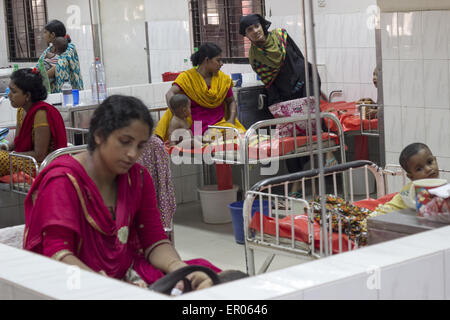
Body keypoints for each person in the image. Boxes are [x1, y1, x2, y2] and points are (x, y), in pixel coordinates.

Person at [23, 95, 220, 290]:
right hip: (77, 281)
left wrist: (180, 270)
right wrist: (111, 290)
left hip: (126, 272)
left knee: (208, 276)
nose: (133, 154)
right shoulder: (63, 181)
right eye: (125, 141)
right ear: (99, 135)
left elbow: (154, 240)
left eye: (140, 146)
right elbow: (58, 254)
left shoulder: (138, 178)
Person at [239, 14, 331, 193]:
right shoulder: (255, 57)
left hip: (305, 82)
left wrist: (310, 88)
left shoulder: (281, 35)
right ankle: (296, 184)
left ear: (262, 25)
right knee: (290, 140)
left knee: (315, 121)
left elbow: (300, 58)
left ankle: (329, 155)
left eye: (256, 26)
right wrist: (279, 105)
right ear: (246, 35)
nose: (255, 31)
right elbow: (269, 81)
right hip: (284, 96)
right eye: (249, 30)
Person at [154, 42, 246, 143]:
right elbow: (169, 94)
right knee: (201, 140)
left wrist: (231, 119)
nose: (221, 63)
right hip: (196, 125)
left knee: (238, 136)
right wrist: (177, 115)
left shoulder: (223, 79)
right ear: (207, 60)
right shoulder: (187, 77)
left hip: (219, 123)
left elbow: (231, 101)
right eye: (218, 60)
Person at [0, 68, 67, 177]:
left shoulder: (41, 114)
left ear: (27, 96)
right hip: (24, 158)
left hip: (40, 165)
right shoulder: (21, 111)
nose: (9, 95)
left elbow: (40, 155)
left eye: (14, 91)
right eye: (9, 90)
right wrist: (5, 147)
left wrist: (12, 155)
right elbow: (17, 142)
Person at [38, 20, 84, 93]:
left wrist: (41, 77)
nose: (43, 35)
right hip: (51, 92)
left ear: (52, 34)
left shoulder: (70, 48)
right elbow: (39, 65)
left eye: (45, 32)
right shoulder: (48, 50)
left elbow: (60, 65)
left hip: (68, 91)